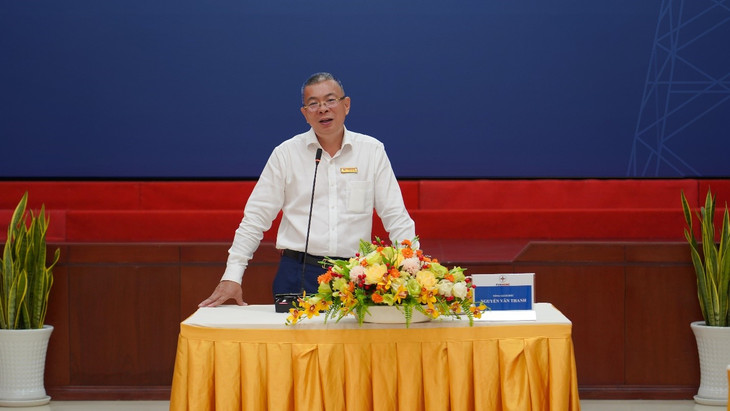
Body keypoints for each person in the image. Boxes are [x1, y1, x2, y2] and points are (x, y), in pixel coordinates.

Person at [199, 72, 416, 307]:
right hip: (298, 273)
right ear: (305, 113)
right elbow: (255, 218)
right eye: (313, 104)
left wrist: (413, 268)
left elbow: (396, 216)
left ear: (346, 105)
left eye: (330, 100)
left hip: (357, 275)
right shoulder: (286, 154)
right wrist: (232, 275)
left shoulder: (371, 151)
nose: (323, 109)